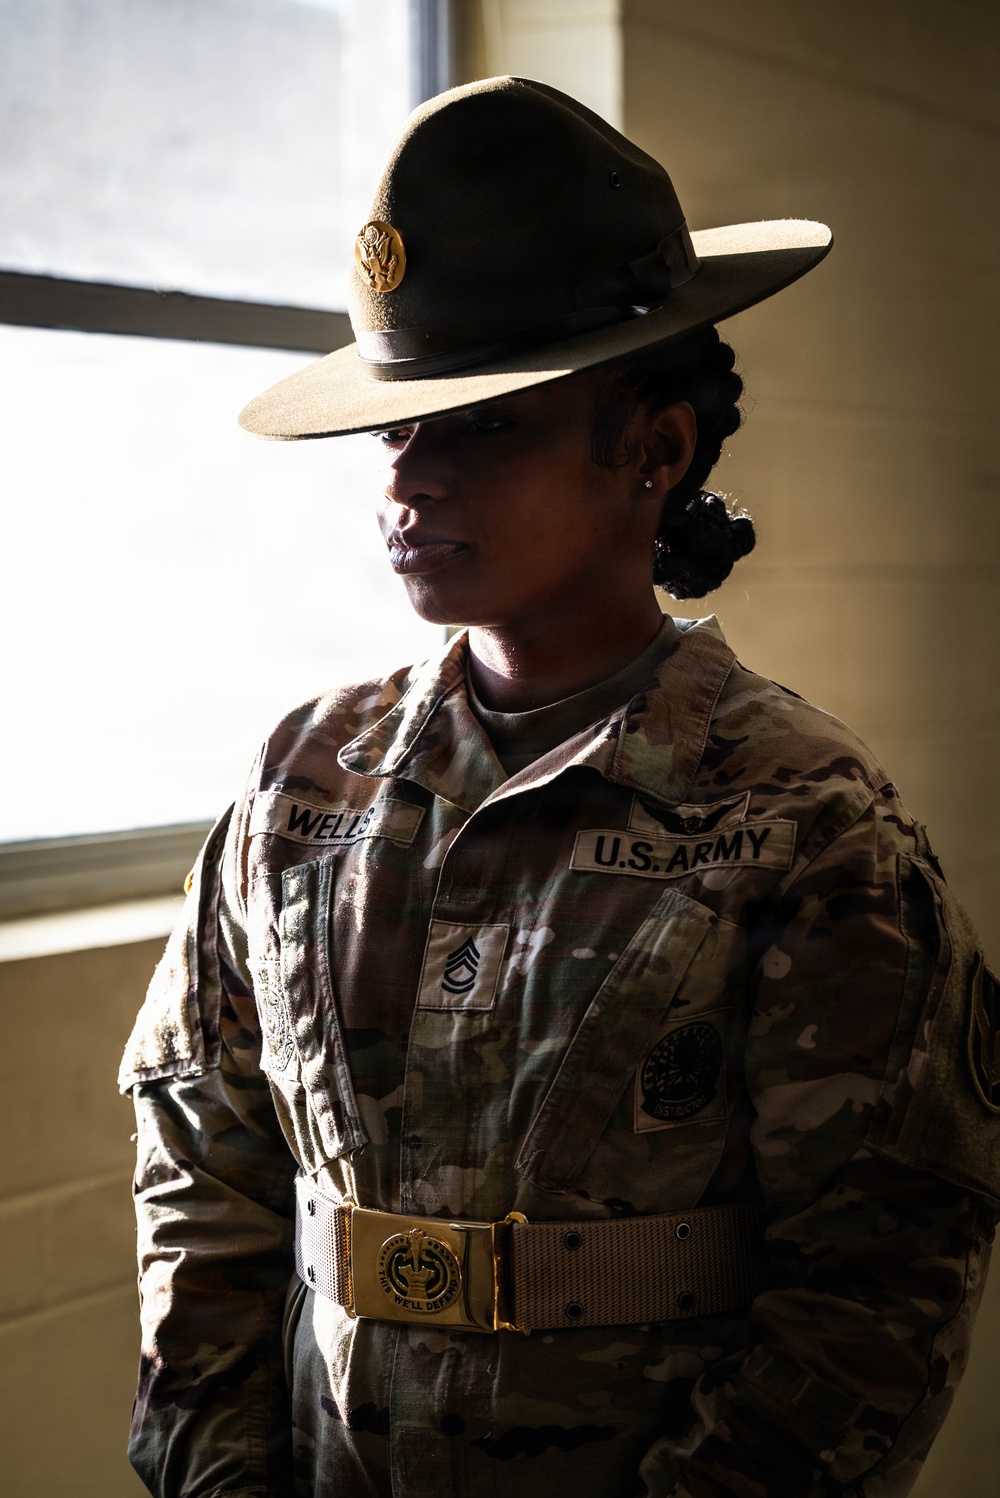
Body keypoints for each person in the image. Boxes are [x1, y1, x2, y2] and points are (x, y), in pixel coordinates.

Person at [119, 77, 1000, 1498]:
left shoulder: (804, 821)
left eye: (486, 425)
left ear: (652, 448)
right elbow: (199, 1169)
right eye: (398, 427)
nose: (411, 477)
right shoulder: (301, 783)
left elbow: (876, 1286)